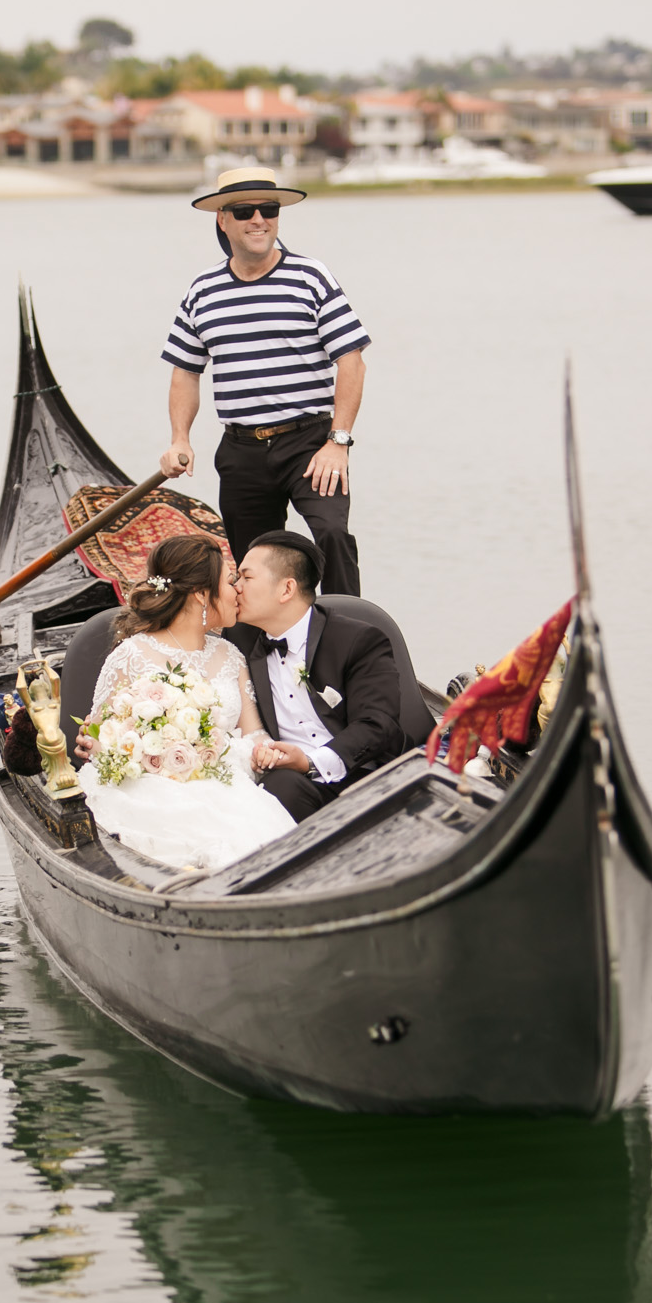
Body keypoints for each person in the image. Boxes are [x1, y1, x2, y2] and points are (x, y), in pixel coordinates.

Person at [157, 166, 372, 598]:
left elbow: (351, 361)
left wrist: (339, 442)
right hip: (241, 451)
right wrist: (180, 438)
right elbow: (185, 370)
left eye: (268, 209)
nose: (258, 219)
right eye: (244, 210)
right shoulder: (203, 290)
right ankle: (261, 651)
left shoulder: (311, 277)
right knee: (252, 559)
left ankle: (349, 632)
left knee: (330, 532)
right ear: (223, 219)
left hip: (310, 443)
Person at [73, 535, 296, 870]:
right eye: (228, 581)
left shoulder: (231, 656)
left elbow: (253, 733)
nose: (237, 589)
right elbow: (99, 734)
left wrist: (261, 750)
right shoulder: (131, 655)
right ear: (201, 594)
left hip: (224, 784)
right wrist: (105, 744)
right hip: (146, 788)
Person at [234, 530, 410, 822]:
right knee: (276, 787)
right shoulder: (238, 639)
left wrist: (309, 762)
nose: (235, 587)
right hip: (287, 781)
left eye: (246, 578)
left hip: (363, 774)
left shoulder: (358, 639)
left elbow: (378, 724)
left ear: (286, 589)